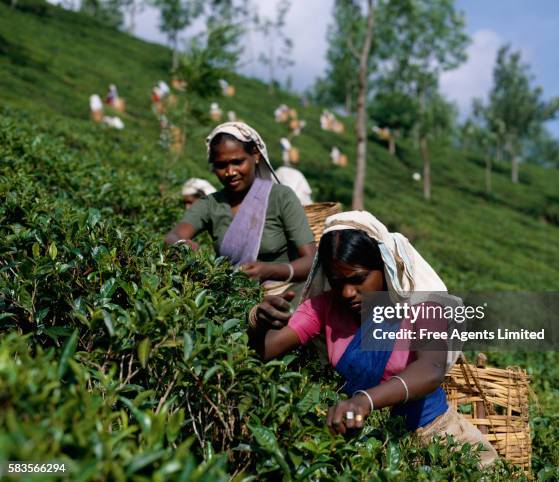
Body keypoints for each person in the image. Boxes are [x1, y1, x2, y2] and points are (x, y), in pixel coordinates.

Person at [248, 211, 498, 467]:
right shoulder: (325, 307)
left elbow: (430, 369)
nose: (347, 293)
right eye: (337, 282)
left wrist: (365, 401)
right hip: (362, 442)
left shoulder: (423, 306)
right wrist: (260, 325)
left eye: (358, 279)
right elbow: (266, 351)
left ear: (384, 266)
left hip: (436, 437)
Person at [164, 122, 316, 294]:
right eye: (221, 165)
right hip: (234, 299)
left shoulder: (280, 197)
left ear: (256, 156)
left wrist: (269, 270)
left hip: (286, 294)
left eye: (237, 162)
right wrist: (181, 243)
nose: (230, 172)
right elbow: (172, 236)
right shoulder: (210, 204)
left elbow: (311, 260)